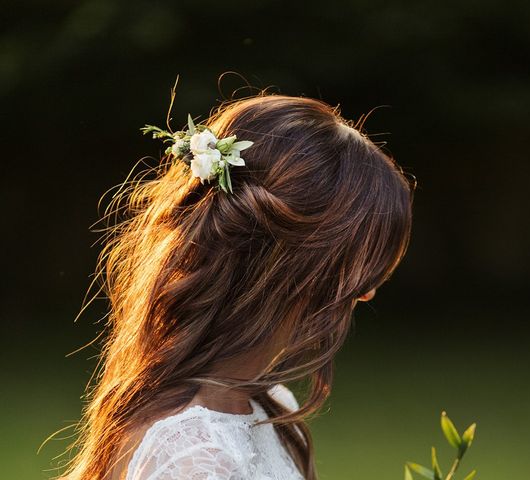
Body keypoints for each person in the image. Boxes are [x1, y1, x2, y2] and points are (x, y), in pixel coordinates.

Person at [62, 93, 415, 480]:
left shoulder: (269, 406)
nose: (367, 294)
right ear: (293, 271)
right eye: (362, 274)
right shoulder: (195, 461)